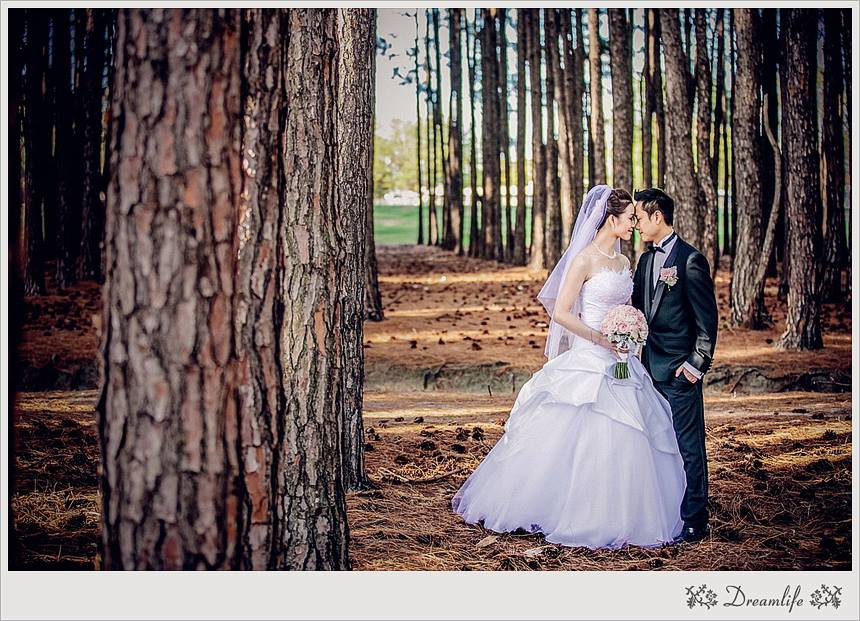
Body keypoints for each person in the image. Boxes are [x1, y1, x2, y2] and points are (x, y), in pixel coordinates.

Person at [451, 185, 686, 549]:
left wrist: (630, 332)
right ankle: (564, 509)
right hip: (590, 356)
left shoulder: (624, 263)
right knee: (579, 429)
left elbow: (629, 306)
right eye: (629, 219)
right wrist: (598, 338)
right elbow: (560, 312)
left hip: (622, 361)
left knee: (632, 432)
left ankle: (624, 513)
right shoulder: (583, 260)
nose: (633, 225)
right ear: (611, 219)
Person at [632, 187, 718, 544]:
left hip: (680, 373)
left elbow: (707, 321)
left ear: (657, 216)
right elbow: (638, 308)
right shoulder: (645, 260)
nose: (635, 223)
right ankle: (665, 511)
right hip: (648, 370)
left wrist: (695, 365)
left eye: (638, 217)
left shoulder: (690, 260)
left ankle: (696, 519)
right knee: (656, 444)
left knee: (688, 446)